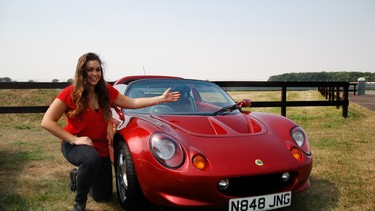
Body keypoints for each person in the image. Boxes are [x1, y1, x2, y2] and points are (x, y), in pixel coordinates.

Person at [41, 52, 180, 211]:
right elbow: (47, 121)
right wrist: (74, 139)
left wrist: (160, 98)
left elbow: (132, 102)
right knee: (90, 160)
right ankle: (80, 203)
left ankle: (78, 175)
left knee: (103, 196)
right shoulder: (69, 93)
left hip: (100, 148)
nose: (94, 74)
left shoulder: (105, 91)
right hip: (74, 145)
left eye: (98, 70)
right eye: (90, 70)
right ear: (82, 72)